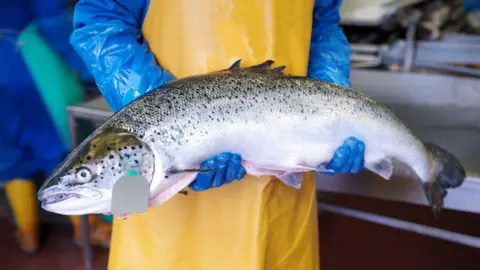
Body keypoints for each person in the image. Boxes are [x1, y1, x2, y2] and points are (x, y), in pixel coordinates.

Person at [70, 0, 365, 269]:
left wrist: (330, 100)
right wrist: (171, 126)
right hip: (164, 188)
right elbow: (101, 22)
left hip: (283, 189)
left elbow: (323, 23)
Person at [0, 0, 111, 253]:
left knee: (11, 156)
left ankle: (27, 231)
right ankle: (87, 226)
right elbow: (56, 25)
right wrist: (91, 71)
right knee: (58, 148)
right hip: (25, 69)